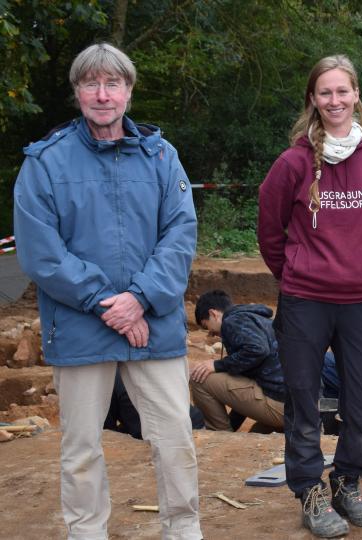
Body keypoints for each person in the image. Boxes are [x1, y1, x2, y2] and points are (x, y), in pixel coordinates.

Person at [13, 43, 201, 539]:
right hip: (79, 325)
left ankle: (183, 530)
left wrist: (139, 298)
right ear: (77, 92)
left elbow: (180, 235)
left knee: (175, 437)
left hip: (152, 321)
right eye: (91, 84)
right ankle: (86, 532)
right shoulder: (45, 162)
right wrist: (106, 303)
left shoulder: (162, 157)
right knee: (80, 448)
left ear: (128, 91)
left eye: (112, 83)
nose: (102, 94)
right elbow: (41, 252)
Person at [257, 54, 362, 538]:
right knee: (303, 398)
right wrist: (297, 273)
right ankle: (310, 491)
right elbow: (270, 232)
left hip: (360, 302)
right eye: (325, 92)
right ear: (313, 100)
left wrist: (355, 270)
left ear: (356, 96)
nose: (335, 100)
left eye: (343, 91)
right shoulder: (293, 163)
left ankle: (347, 483)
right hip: (305, 301)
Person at [190, 289, 285, 432]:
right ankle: (227, 433)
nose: (211, 333)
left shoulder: (232, 321)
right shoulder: (254, 318)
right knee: (255, 432)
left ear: (213, 314)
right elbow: (243, 384)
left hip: (281, 404)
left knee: (199, 378)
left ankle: (218, 434)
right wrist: (233, 427)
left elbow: (258, 350)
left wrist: (217, 365)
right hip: (297, 406)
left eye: (206, 326)